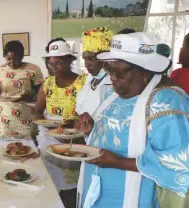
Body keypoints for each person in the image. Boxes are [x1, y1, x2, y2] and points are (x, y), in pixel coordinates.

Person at [76, 32, 189, 208]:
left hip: (131, 195)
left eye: (119, 72)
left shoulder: (167, 102)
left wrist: (118, 162)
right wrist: (91, 130)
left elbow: (177, 163)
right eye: (109, 69)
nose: (112, 77)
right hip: (99, 188)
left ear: (144, 71)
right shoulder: (115, 93)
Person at [35, 39, 87, 208]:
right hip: (49, 139)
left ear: (71, 60)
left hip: (74, 141)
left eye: (59, 63)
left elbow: (88, 114)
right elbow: (37, 110)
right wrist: (43, 124)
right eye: (51, 64)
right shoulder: (48, 83)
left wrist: (69, 126)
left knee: (70, 186)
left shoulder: (82, 83)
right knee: (50, 183)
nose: (54, 67)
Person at [0, 41, 44, 137]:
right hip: (4, 120)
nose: (12, 62)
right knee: (3, 148)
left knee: (28, 148)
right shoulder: (0, 70)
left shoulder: (33, 69)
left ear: (22, 56)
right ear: (5, 56)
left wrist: (26, 97)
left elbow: (42, 94)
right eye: (8, 59)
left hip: (26, 119)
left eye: (16, 59)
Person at [76, 27, 114, 116]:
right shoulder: (90, 79)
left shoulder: (113, 83)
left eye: (91, 58)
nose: (87, 64)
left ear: (105, 58)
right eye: (85, 59)